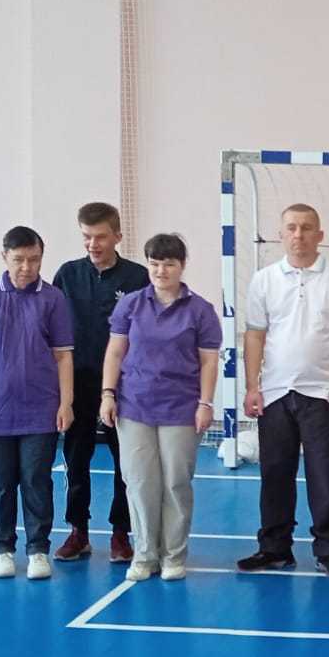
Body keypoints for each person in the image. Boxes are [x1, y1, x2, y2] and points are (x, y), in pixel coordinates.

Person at [236, 204, 329, 579]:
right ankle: (274, 548)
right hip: (275, 392)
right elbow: (255, 335)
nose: (298, 234)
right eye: (291, 227)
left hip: (323, 393)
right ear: (281, 234)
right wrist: (252, 386)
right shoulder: (264, 280)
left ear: (319, 235)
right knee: (275, 474)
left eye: (306, 228)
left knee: (326, 475)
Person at [99, 233, 222, 582]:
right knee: (139, 482)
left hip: (181, 408)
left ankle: (173, 556)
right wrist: (108, 394)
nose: (161, 271)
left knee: (175, 483)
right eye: (154, 263)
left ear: (182, 266)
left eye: (169, 264)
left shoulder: (201, 311)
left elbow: (209, 362)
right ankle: (144, 554)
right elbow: (115, 352)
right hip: (134, 406)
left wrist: (205, 403)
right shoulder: (130, 305)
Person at [0, 226, 75, 580]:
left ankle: (38, 550)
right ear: (4, 257)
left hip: (41, 408)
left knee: (37, 480)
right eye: (19, 259)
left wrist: (66, 403)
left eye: (34, 259)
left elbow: (63, 355)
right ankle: (3, 549)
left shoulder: (53, 298)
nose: (27, 267)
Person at [51, 202, 149, 566]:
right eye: (87, 237)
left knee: (126, 460)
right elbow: (53, 328)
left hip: (124, 385)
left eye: (101, 237)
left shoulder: (138, 277)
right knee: (76, 458)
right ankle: (78, 530)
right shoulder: (67, 274)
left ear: (117, 237)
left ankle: (121, 532)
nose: (93, 244)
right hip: (76, 382)